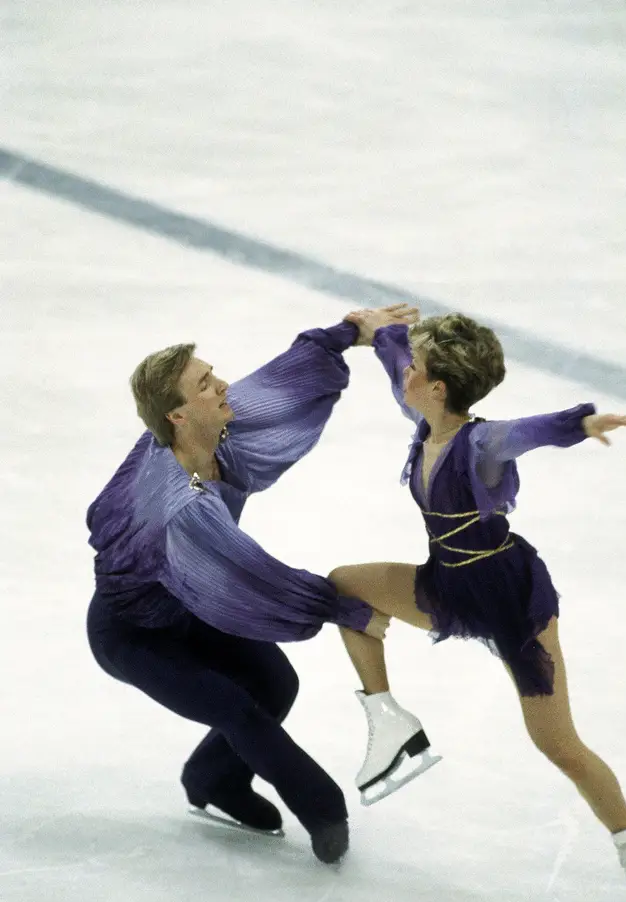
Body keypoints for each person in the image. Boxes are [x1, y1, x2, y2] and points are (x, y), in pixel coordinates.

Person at [329, 310, 626, 902]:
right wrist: (379, 331)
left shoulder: (477, 444)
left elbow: (522, 433)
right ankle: (389, 720)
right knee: (346, 588)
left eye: (418, 370)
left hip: (509, 598)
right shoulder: (423, 416)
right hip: (446, 586)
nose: (408, 373)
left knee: (558, 744)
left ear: (440, 389)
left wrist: (579, 423)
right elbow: (397, 364)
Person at [85, 305, 415, 864]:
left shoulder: (212, 432)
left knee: (276, 684)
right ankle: (323, 808)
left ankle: (214, 779)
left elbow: (277, 385)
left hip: (187, 604)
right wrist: (337, 606)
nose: (223, 387)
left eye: (213, 375)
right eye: (206, 384)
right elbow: (248, 579)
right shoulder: (179, 507)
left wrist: (343, 335)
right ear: (179, 416)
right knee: (237, 708)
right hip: (132, 635)